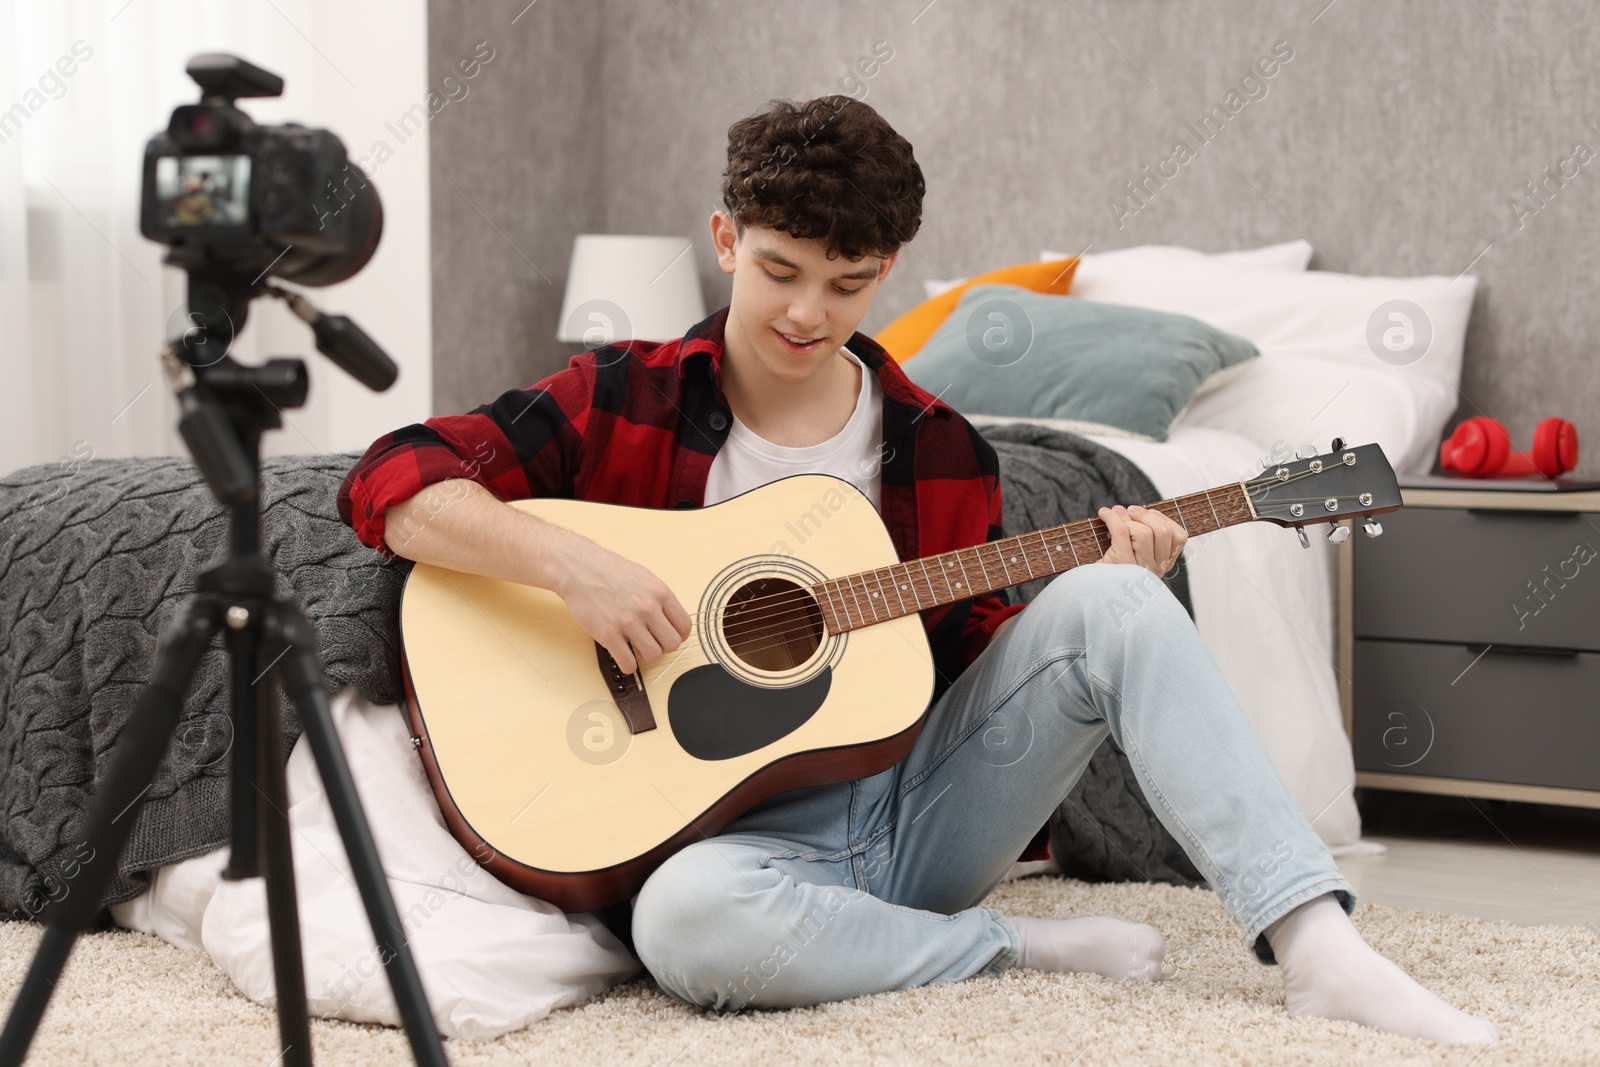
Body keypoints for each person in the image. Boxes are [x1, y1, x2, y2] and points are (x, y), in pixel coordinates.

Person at [338, 95, 1497, 1045]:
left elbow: (971, 672)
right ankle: (1009, 946)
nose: (806, 312)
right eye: (780, 270)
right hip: (717, 844)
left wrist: (1114, 580)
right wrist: (571, 563)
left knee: (1111, 594)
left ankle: (1318, 945)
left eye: (847, 284)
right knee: (683, 928)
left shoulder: (940, 446)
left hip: (907, 815)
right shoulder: (624, 393)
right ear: (726, 239)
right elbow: (391, 479)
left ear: (887, 265)